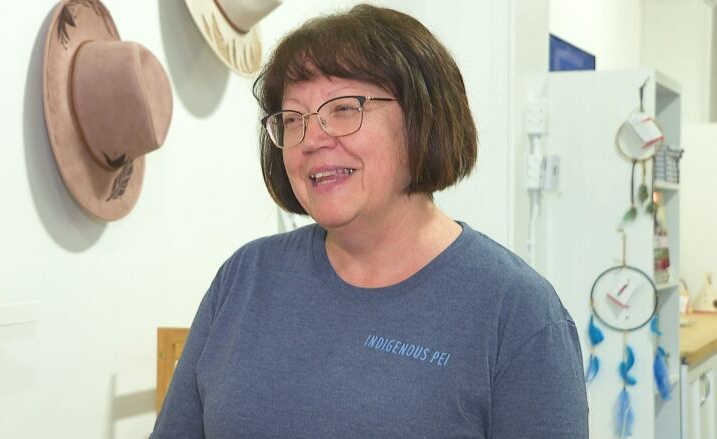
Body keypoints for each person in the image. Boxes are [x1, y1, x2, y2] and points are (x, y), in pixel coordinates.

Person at [152, 4, 588, 438]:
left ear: (424, 118)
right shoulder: (244, 280)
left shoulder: (517, 313)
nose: (312, 140)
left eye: (344, 109)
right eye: (293, 119)